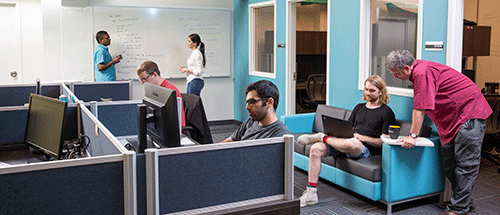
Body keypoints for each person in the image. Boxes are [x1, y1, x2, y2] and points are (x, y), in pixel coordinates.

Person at [386, 50, 492, 215]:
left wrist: (413, 136)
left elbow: (420, 108)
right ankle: (465, 202)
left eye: (396, 73)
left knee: (466, 166)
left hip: (469, 116)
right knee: (450, 164)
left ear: (406, 68)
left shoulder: (421, 73)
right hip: (453, 121)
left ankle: (459, 208)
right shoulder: (420, 72)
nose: (394, 77)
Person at [298, 75, 396, 207]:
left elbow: (383, 142)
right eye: (366, 89)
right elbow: (347, 128)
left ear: (380, 92)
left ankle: (323, 137)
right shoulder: (359, 107)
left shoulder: (387, 112)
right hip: (345, 141)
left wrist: (363, 138)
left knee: (352, 143)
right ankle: (311, 193)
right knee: (315, 149)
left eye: (372, 90)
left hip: (363, 148)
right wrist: (340, 133)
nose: (368, 93)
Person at [221, 80, 291, 142]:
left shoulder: (280, 134)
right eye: (247, 102)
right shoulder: (250, 122)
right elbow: (229, 141)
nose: (247, 107)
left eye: (251, 102)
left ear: (269, 102)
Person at [137, 61, 185, 127]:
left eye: (144, 79)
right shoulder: (153, 89)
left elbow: (178, 122)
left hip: (173, 130)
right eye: (141, 80)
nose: (143, 83)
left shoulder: (170, 91)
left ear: (155, 75)